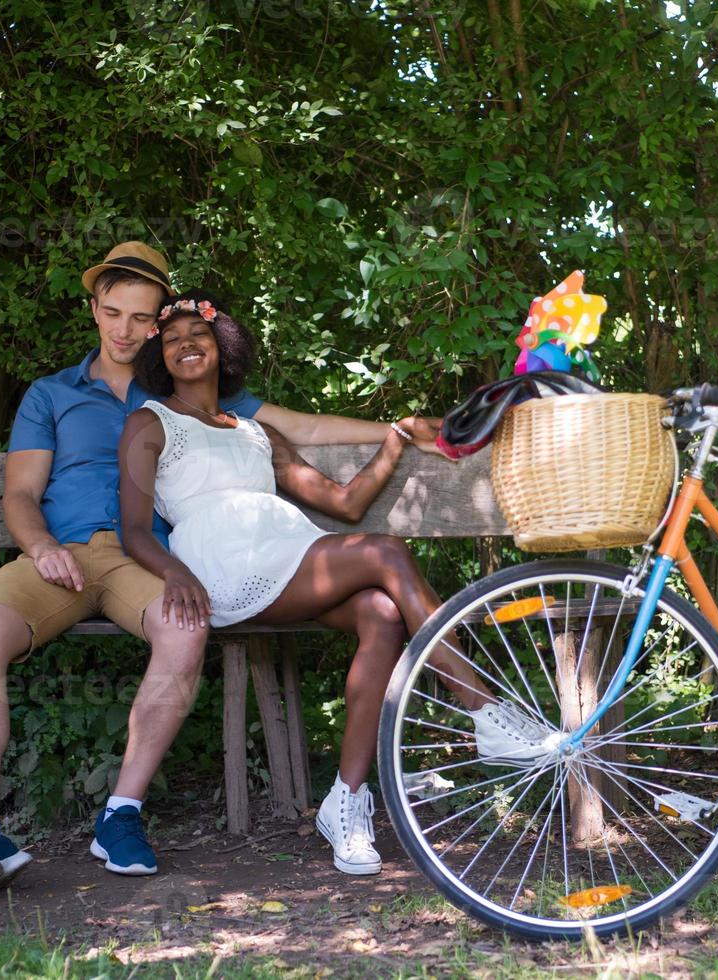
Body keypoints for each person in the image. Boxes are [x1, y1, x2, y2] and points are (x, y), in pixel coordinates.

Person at [0, 243, 443, 901]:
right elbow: (17, 494)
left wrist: (400, 429)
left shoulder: (184, 395)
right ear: (94, 311)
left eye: (141, 317)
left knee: (186, 630)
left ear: (158, 325)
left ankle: (119, 814)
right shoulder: (52, 395)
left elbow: (304, 427)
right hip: (60, 556)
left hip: (146, 563)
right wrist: (40, 547)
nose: (124, 329)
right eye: (112, 313)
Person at [118, 289, 553, 875]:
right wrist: (176, 574)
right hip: (222, 563)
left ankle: (345, 804)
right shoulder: (150, 423)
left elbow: (345, 505)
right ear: (159, 358)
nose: (185, 346)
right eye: (171, 341)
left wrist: (393, 439)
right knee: (386, 552)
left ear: (221, 347)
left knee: (380, 609)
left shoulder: (254, 433)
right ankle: (484, 710)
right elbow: (135, 530)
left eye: (197, 335)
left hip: (289, 553)